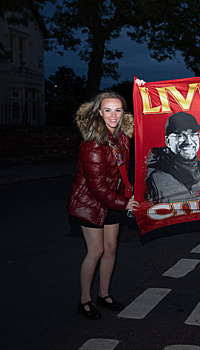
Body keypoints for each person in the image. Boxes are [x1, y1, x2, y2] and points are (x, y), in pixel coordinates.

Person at [67, 91, 140, 320]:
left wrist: (127, 195)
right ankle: (85, 300)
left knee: (111, 249)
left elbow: (121, 175)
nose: (113, 115)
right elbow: (97, 188)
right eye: (108, 110)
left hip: (112, 201)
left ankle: (104, 295)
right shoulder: (92, 144)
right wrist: (125, 203)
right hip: (89, 203)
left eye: (118, 110)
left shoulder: (123, 139)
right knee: (96, 251)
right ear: (99, 112)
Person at [145, 111, 200, 204]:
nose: (189, 141)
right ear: (168, 141)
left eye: (193, 134)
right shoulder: (154, 179)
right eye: (180, 135)